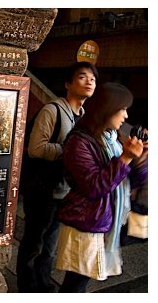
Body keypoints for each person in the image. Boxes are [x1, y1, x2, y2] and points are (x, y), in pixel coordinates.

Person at [56, 82, 148, 292]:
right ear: (107, 108)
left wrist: (141, 160)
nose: (125, 116)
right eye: (122, 109)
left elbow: (128, 182)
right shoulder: (78, 142)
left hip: (106, 219)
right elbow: (93, 187)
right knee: (75, 284)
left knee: (79, 282)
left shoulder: (112, 139)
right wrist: (125, 157)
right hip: (86, 223)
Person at [16, 61, 98, 292]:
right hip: (43, 189)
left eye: (93, 78)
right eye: (82, 77)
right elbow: (36, 148)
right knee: (34, 243)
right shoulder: (52, 110)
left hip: (65, 191)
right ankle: (27, 288)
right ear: (68, 84)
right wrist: (71, 152)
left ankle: (43, 287)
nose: (89, 81)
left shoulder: (83, 116)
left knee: (50, 247)